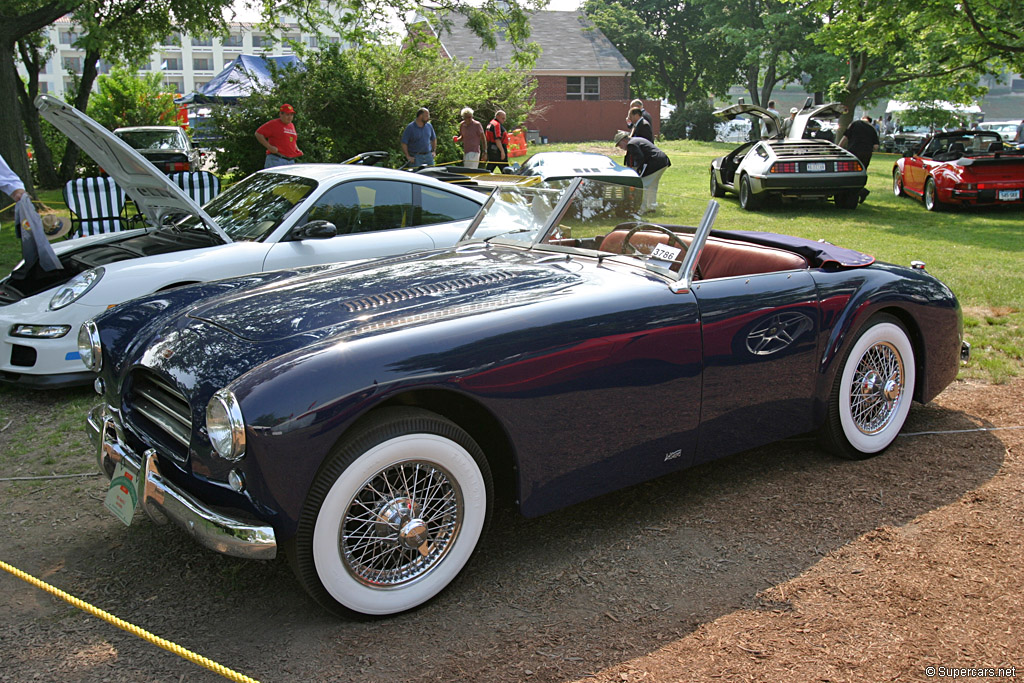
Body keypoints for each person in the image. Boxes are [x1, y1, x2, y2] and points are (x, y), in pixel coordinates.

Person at [614, 130, 671, 213]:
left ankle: (641, 209)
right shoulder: (635, 140)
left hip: (655, 163)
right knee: (652, 185)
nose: (620, 147)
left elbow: (640, 158)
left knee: (642, 186)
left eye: (619, 144)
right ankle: (651, 207)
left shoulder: (631, 144)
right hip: (662, 161)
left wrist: (638, 172)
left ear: (624, 140)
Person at [839, 114, 880, 203]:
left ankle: (860, 192)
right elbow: (876, 146)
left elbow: (845, 138)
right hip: (866, 154)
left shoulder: (854, 124)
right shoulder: (872, 129)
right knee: (860, 174)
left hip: (853, 153)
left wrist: (838, 148)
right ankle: (860, 191)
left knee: (849, 174)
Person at [255, 104, 303, 169]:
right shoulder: (273, 124)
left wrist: (297, 149)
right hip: (277, 159)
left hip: (290, 161)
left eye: (291, 115)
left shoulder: (291, 125)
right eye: (287, 114)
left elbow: (292, 140)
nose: (290, 117)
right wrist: (269, 147)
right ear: (281, 114)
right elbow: (258, 133)